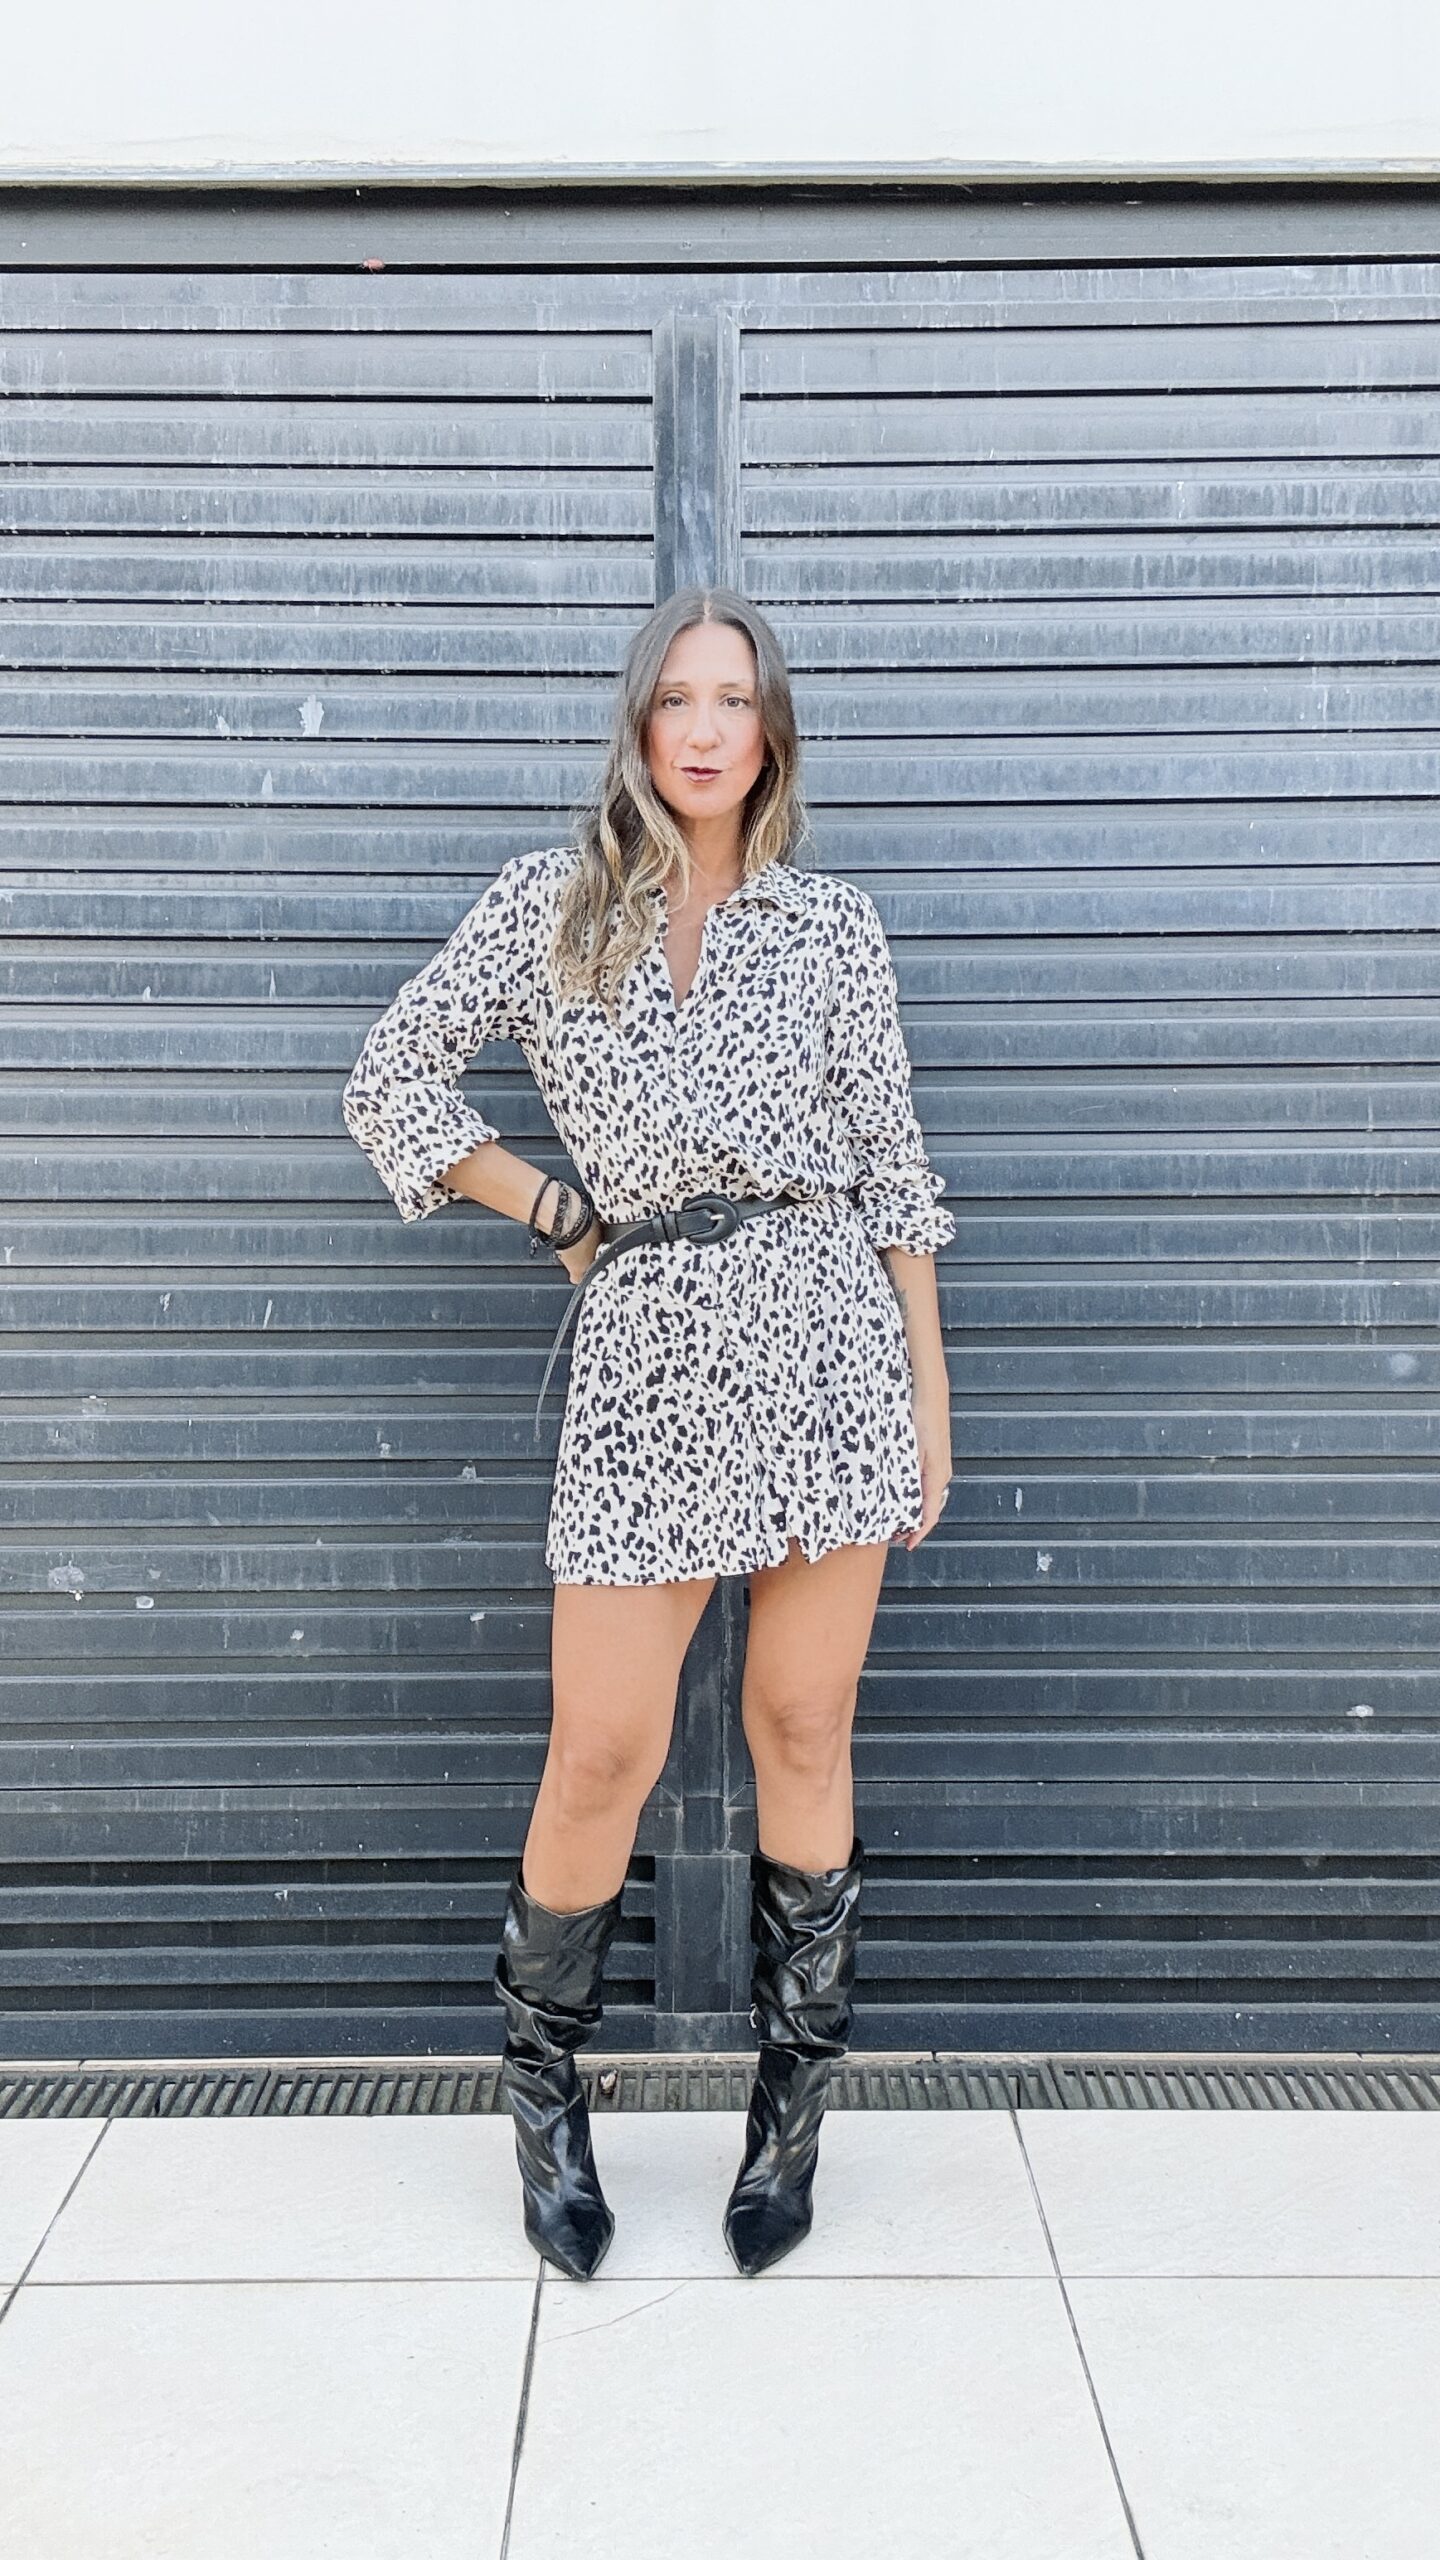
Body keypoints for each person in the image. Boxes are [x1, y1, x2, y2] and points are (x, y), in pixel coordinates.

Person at [341, 585, 955, 2282]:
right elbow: (390, 1080)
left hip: (828, 1340)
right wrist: (554, 1207)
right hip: (651, 1362)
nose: (703, 728)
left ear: (771, 733)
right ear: (637, 723)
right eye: (676, 697)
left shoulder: (833, 930)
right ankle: (546, 2105)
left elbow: (895, 1170)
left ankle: (790, 2117)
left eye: (733, 700)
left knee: (802, 1727)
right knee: (602, 1749)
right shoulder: (555, 908)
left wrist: (929, 1395)